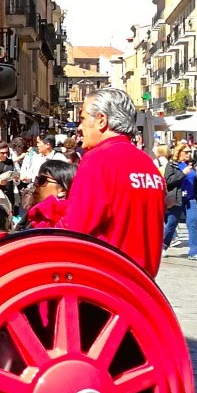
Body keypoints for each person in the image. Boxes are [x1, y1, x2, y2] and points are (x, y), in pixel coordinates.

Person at [59, 88, 165, 275]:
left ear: (101, 120)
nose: (79, 127)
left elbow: (75, 228)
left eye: (82, 119)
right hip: (144, 282)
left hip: (107, 282)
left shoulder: (98, 160)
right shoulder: (147, 163)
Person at [162, 144, 197, 261]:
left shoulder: (190, 165)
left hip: (190, 199)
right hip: (177, 198)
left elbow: (194, 183)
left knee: (192, 222)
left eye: (189, 152)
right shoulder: (172, 165)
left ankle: (194, 252)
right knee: (171, 223)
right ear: (179, 152)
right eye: (186, 152)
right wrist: (182, 173)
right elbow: (168, 181)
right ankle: (163, 246)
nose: (188, 154)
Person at [24, 157, 74, 230]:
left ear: (62, 190)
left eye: (42, 180)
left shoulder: (59, 223)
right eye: (37, 179)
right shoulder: (37, 214)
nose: (36, 184)